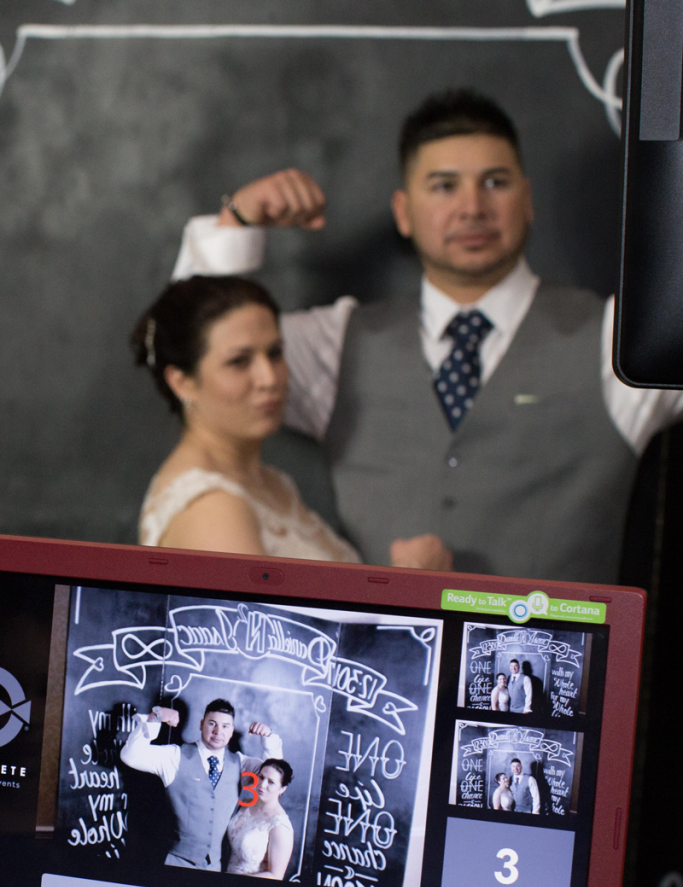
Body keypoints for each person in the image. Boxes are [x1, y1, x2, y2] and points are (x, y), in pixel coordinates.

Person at [171, 89, 683, 583]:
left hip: (562, 667)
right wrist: (235, 225)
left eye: (495, 182)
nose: (471, 208)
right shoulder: (339, 343)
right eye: (443, 186)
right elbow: (198, 350)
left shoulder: (616, 341)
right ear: (402, 211)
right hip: (381, 668)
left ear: (527, 200)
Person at [132, 275, 452, 570]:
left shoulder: (272, 482)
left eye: (274, 353)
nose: (269, 378)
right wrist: (411, 583)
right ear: (182, 382)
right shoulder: (209, 508)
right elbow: (265, 632)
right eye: (238, 362)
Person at [120, 698, 283, 871]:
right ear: (201, 724)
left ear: (231, 731)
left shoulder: (241, 764)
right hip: (175, 863)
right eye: (212, 724)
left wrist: (268, 738)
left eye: (225, 726)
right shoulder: (175, 756)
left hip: (214, 866)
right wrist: (154, 718)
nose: (218, 731)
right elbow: (130, 756)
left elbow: (276, 774)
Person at [227, 758, 294, 879]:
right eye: (261, 777)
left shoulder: (280, 826)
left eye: (271, 782)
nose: (262, 785)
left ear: (282, 789)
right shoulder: (245, 805)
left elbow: (275, 876)